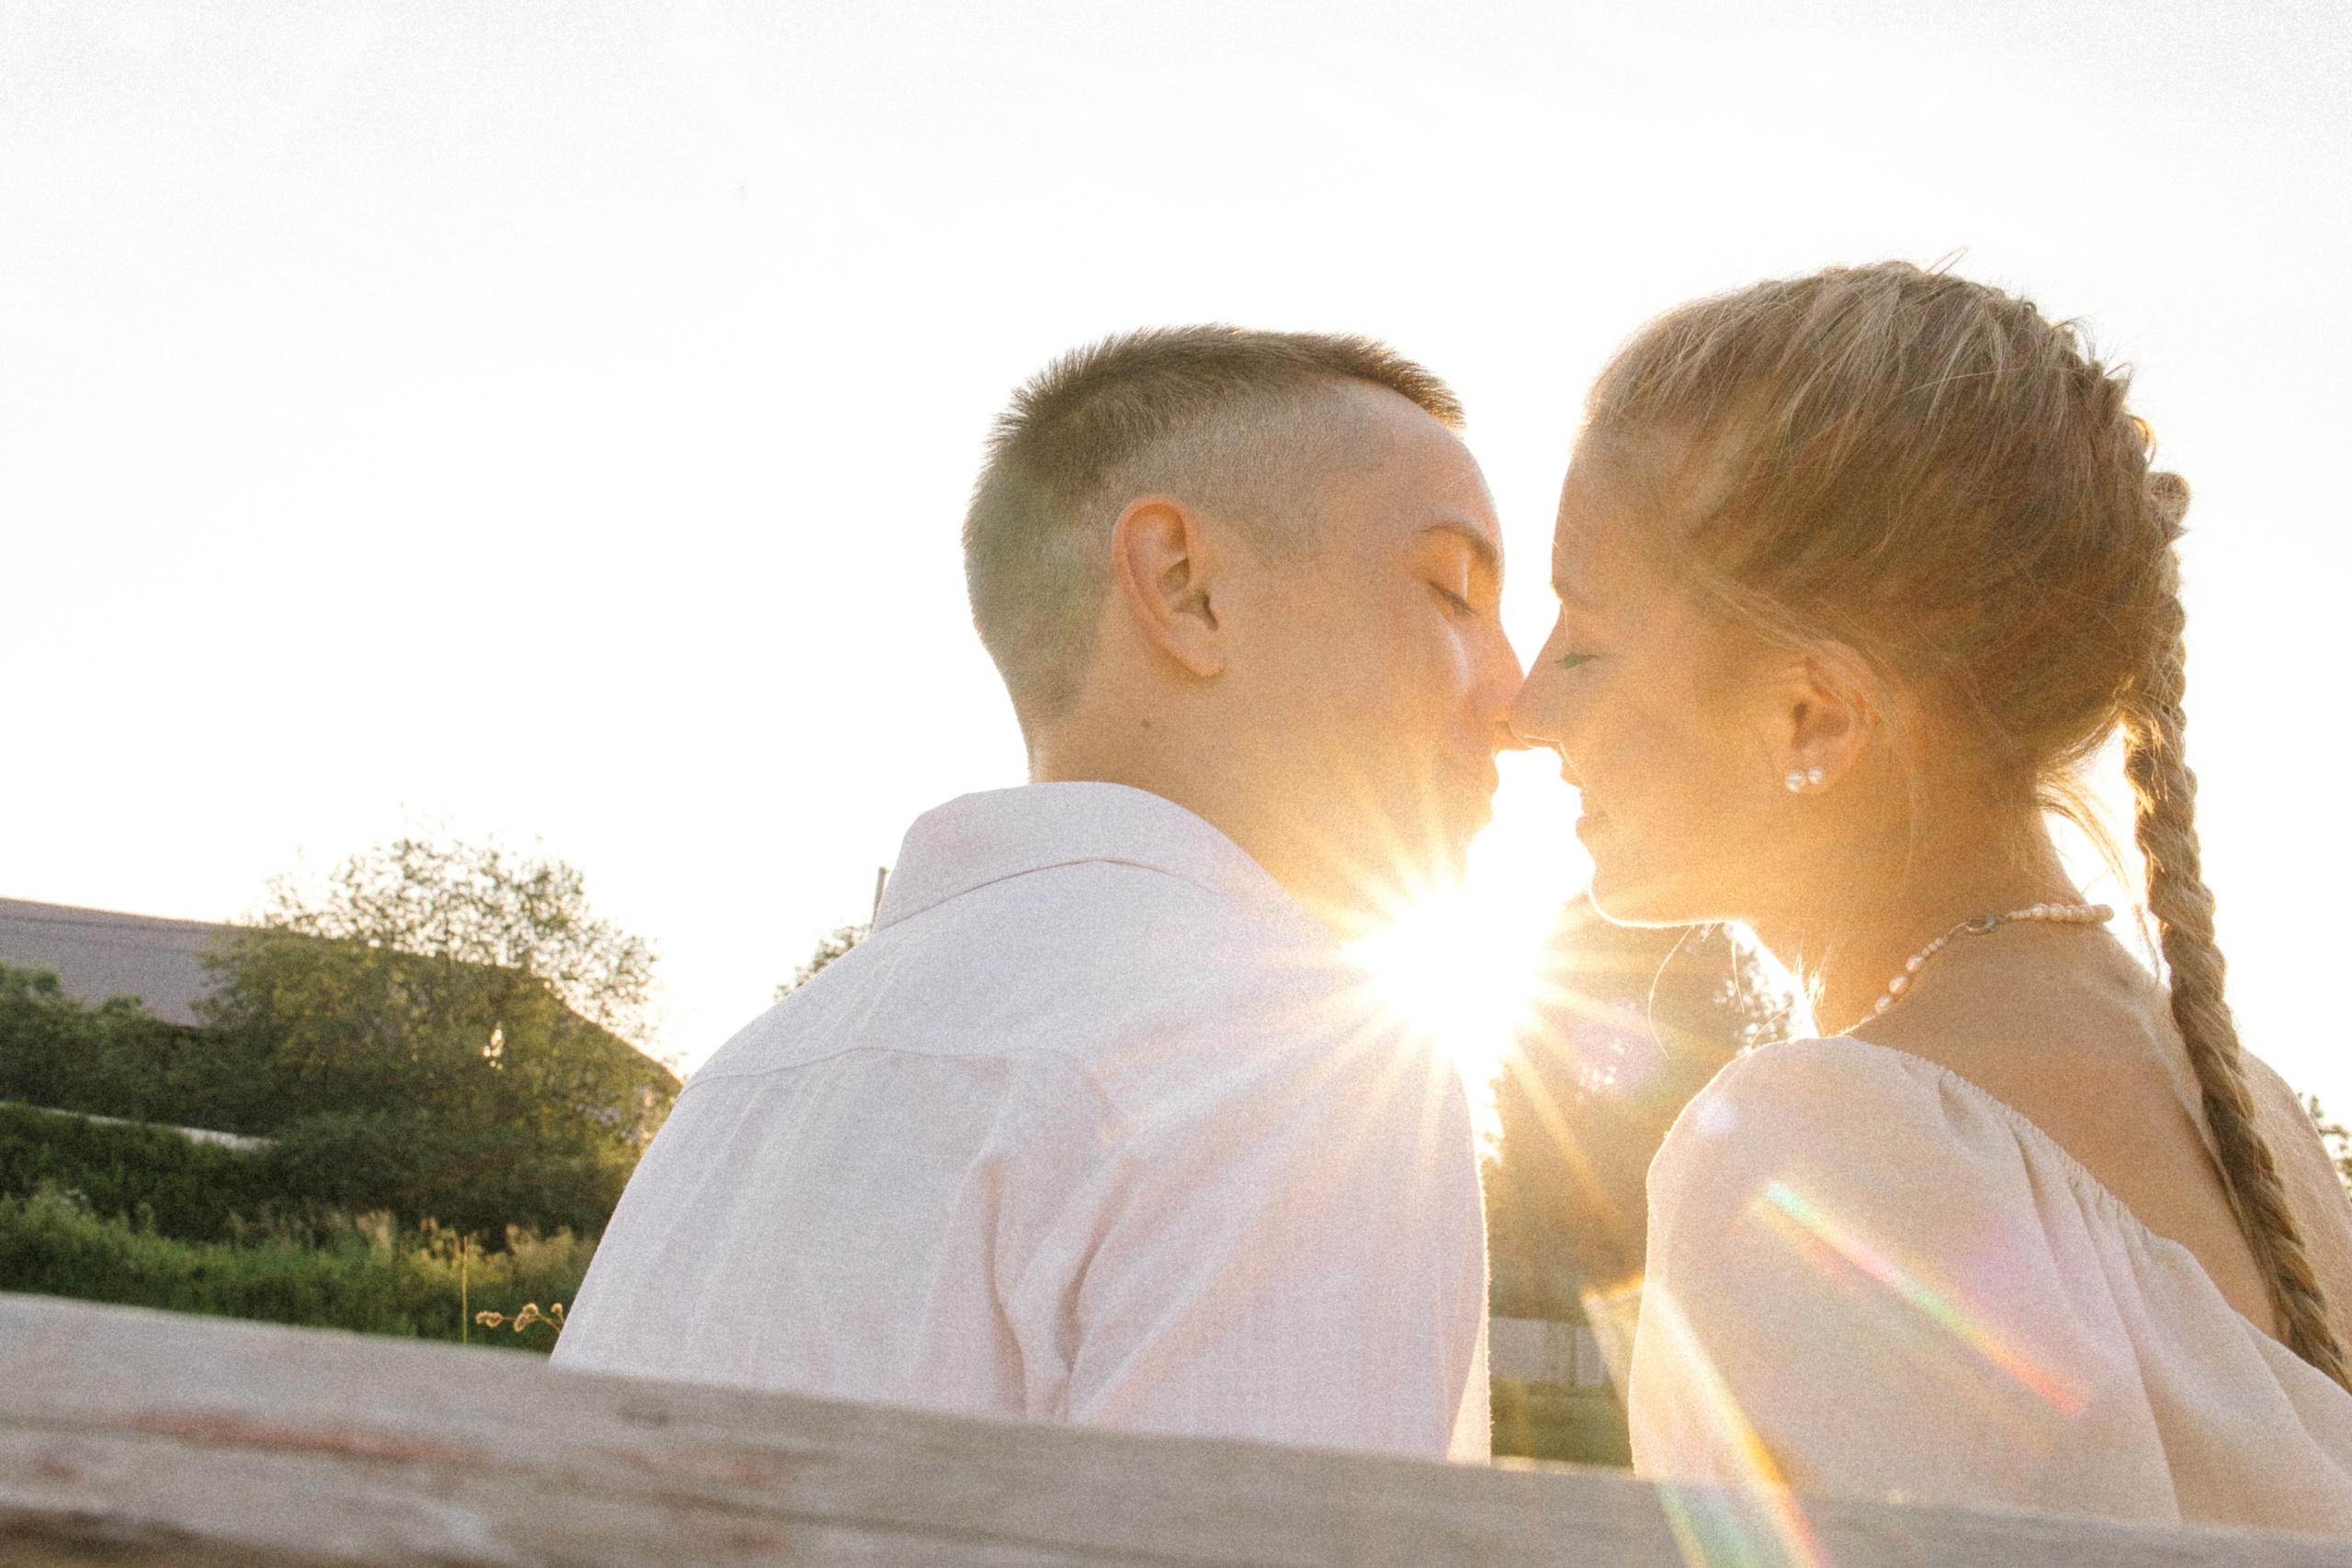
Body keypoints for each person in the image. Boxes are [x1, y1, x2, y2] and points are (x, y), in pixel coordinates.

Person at [554, 327, 1519, 1461]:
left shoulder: (748, 1079)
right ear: (1185, 587)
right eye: (1453, 591)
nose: (1517, 693)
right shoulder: (1292, 1060)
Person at [1510, 262, 2352, 1529]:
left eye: (1583, 637)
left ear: (1815, 716)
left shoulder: (1831, 1146)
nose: (1526, 712)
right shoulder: (2260, 1120)